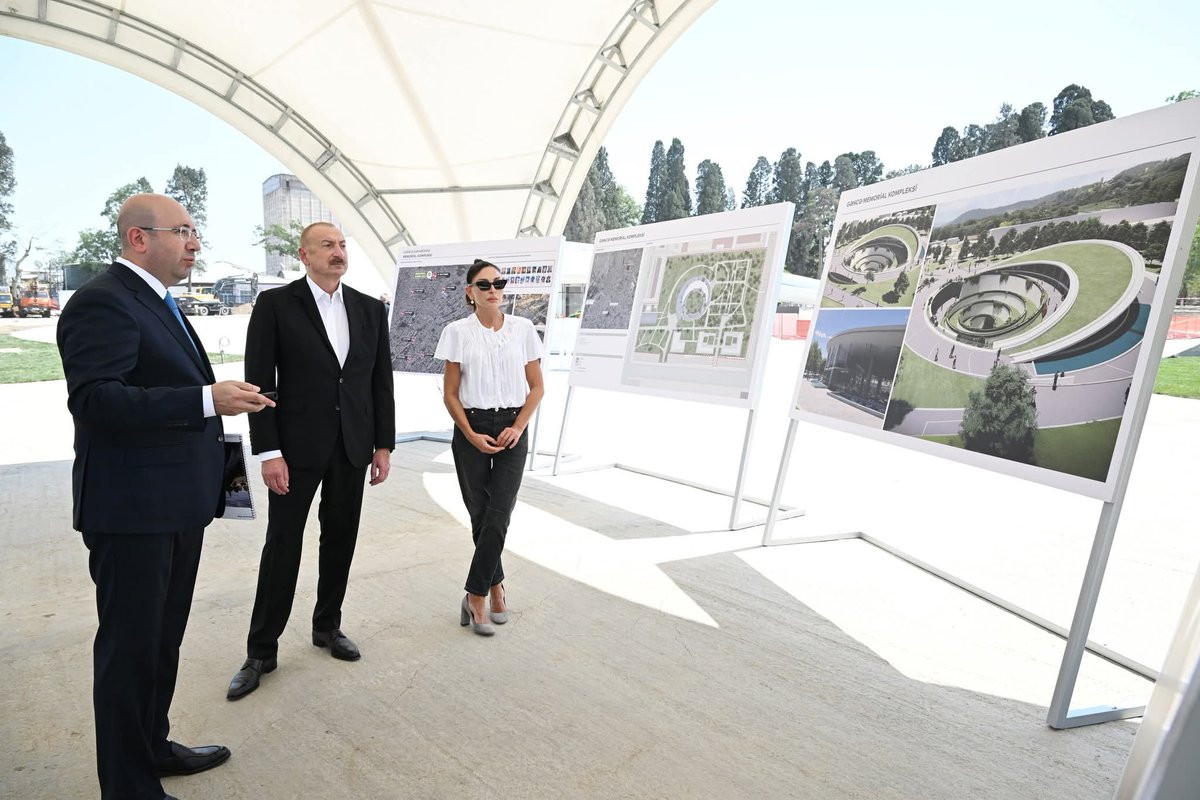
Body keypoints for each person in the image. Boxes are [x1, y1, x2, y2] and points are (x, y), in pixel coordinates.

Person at [56, 193, 273, 800]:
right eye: (182, 231)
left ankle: (152, 745)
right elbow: (94, 399)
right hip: (133, 511)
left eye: (195, 231)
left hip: (176, 503)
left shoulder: (158, 301)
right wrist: (206, 399)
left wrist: (213, 400)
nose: (194, 243)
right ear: (138, 238)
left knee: (161, 640)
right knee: (130, 651)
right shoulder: (102, 301)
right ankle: (128, 787)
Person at [227, 221, 395, 699]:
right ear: (304, 255)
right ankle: (261, 650)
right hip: (294, 451)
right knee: (283, 545)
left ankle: (327, 626)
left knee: (340, 540)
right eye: (327, 245)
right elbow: (260, 384)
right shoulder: (276, 305)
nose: (338, 252)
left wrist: (383, 444)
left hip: (352, 447)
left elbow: (379, 381)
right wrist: (269, 452)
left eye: (341, 245)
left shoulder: (369, 309)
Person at [434, 258, 544, 636]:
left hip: (513, 427)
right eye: (484, 285)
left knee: (499, 512)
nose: (493, 290)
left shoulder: (523, 329)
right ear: (470, 292)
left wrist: (518, 426)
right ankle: (496, 587)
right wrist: (469, 433)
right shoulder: (456, 332)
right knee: (480, 513)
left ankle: (475, 593)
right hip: (472, 427)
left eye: (499, 283)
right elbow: (450, 394)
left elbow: (537, 387)